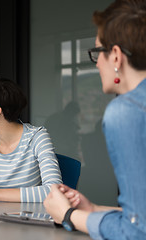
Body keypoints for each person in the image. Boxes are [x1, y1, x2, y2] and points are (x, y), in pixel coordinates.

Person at [43, 0, 146, 239]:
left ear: (117, 56)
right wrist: (94, 209)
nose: (97, 62)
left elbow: (137, 232)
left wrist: (69, 215)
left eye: (98, 51)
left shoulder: (127, 111)